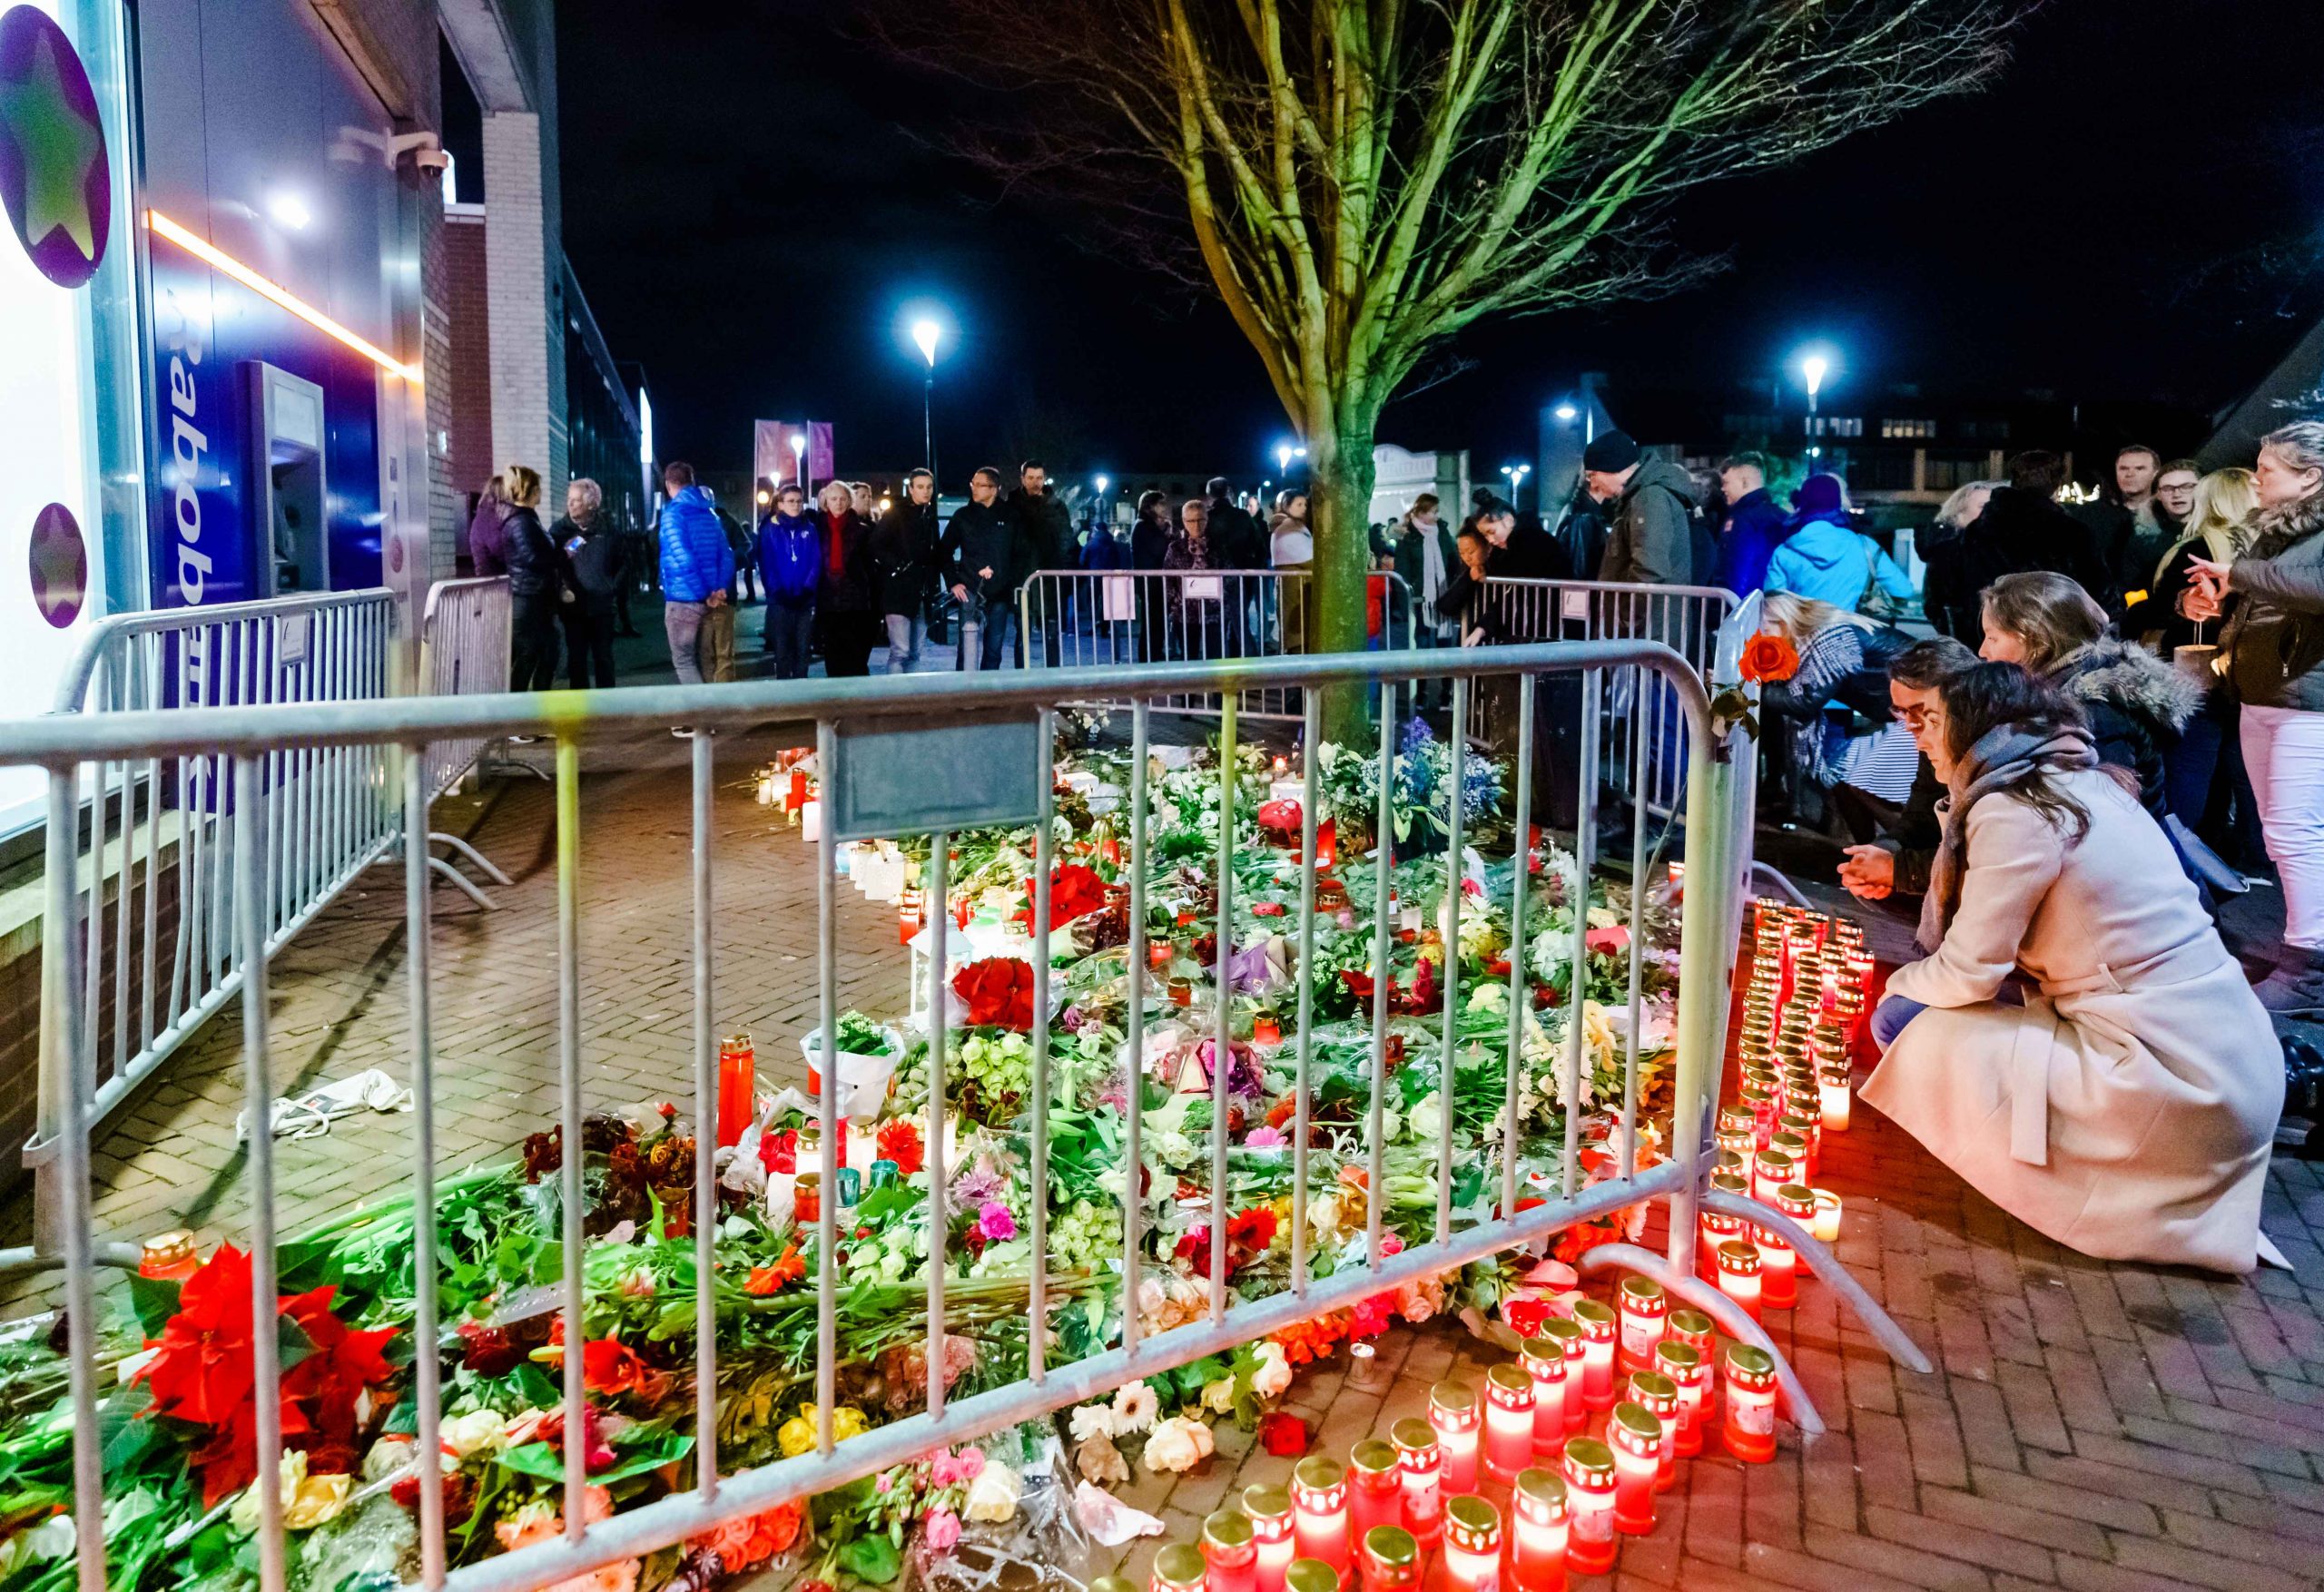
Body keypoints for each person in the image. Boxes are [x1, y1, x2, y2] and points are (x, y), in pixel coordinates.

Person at [1859, 662, 2281, 1274]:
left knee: (1902, 1017)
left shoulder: (2016, 810)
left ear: (1976, 729)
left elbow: (1970, 970)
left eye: (1934, 722)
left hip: (2171, 1079)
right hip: (2230, 1058)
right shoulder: (2081, 782)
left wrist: (1895, 983)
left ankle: (2058, 1185)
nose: (1919, 739)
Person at [2185, 421, 2324, 1011]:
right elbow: (2270, 595)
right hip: (2262, 693)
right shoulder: (2276, 534)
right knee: (2280, 833)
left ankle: (2308, 968)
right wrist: (2212, 603)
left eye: (2269, 468)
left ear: (2310, 477)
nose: (2256, 478)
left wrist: (2237, 576)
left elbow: (2313, 590)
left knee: (2296, 832)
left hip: (2306, 698)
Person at [1976, 571, 2199, 822]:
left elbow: (2109, 819)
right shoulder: (2063, 689)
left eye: (1993, 637)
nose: (1983, 651)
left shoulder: (2094, 713)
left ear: (2037, 640)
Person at [2125, 468, 2259, 840]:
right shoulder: (2271, 551)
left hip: (2200, 674)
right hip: (2256, 675)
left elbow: (2154, 609)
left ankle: (2179, 850)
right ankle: (2258, 860)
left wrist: (2142, 610)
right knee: (2246, 771)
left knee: (2189, 766)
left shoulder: (2197, 550)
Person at [1757, 591, 1919, 830]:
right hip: (1904, 713)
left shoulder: (1831, 638)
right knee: (1842, 778)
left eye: (1764, 632)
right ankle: (1862, 853)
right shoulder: (1821, 637)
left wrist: (1756, 687)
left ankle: (1908, 851)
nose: (1762, 642)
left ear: (1782, 622)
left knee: (1863, 783)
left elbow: (1805, 701)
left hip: (1924, 713)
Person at [1837, 634, 1982, 903]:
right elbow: (1920, 816)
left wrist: (1898, 870)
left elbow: (1984, 867)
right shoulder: (1932, 741)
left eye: (1923, 713)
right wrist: (1885, 851)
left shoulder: (1997, 760)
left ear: (1963, 703)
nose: (1910, 726)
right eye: (1902, 712)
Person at [1955, 451, 2112, 635]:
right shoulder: (2070, 533)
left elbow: (1954, 589)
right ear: (2057, 484)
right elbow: (2101, 593)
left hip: (1990, 637)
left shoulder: (1978, 529)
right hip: (2051, 640)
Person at [1761, 474, 1915, 615]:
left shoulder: (1784, 552)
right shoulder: (1863, 546)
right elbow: (1903, 590)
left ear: (1803, 505)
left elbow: (1773, 605)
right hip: (1850, 637)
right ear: (1837, 504)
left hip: (1800, 640)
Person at [656, 462, 734, 696]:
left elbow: (683, 557)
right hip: (709, 598)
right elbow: (727, 554)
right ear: (692, 481)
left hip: (684, 598)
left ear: (669, 484)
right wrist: (719, 588)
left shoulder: (673, 514)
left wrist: (704, 593)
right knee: (704, 658)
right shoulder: (709, 513)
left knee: (683, 660)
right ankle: (711, 712)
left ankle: (702, 717)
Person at [1589, 431, 1699, 586]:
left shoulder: (1649, 498)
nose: (1593, 484)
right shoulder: (1642, 496)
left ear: (1612, 468)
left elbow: (1650, 570)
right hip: (1646, 608)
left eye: (1592, 475)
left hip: (1644, 609)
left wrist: (1624, 606)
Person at [942, 467, 1019, 672]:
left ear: (994, 489)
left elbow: (1018, 553)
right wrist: (953, 582)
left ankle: (988, 694)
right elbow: (943, 550)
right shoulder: (963, 516)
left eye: (979, 485)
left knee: (994, 650)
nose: (974, 489)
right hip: (969, 590)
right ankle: (965, 693)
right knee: (966, 648)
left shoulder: (1010, 516)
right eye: (972, 484)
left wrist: (1009, 581)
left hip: (999, 593)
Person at [552, 477, 622, 690]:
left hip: (602, 607)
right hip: (573, 608)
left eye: (576, 501)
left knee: (604, 660)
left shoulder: (608, 531)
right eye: (569, 500)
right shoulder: (558, 532)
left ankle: (607, 709)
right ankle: (581, 708)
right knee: (577, 660)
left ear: (591, 504)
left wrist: (612, 588)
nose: (570, 504)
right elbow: (551, 566)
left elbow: (622, 564)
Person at [871, 468, 940, 673]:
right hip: (899, 592)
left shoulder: (929, 517)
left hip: (921, 592)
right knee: (900, 651)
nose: (925, 491)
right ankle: (898, 700)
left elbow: (935, 554)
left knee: (915, 652)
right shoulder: (897, 514)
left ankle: (911, 700)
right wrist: (897, 566)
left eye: (929, 487)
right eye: (920, 487)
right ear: (911, 489)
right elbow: (875, 544)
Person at [807, 479, 878, 676]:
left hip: (854, 600)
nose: (838, 503)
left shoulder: (862, 530)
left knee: (855, 656)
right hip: (827, 599)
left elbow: (870, 567)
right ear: (825, 502)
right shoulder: (816, 530)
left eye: (842, 499)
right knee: (833, 655)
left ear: (849, 501)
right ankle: (837, 700)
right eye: (833, 499)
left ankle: (857, 701)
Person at [498, 466, 560, 692]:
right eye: (539, 488)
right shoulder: (520, 522)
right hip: (528, 600)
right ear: (532, 490)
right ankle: (520, 717)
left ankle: (533, 715)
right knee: (528, 656)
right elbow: (532, 557)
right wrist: (559, 556)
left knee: (545, 652)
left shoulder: (525, 520)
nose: (541, 492)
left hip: (535, 598)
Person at [1919, 479, 2004, 640]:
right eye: (1982, 506)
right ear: (1960, 510)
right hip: (1965, 641)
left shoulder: (1996, 547)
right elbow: (1935, 603)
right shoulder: (1945, 551)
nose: (1989, 512)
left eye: (1992, 506)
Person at [757, 483, 819, 680]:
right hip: (780, 600)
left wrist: (808, 587)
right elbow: (767, 562)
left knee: (803, 648)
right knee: (782, 649)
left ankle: (801, 689)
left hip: (804, 599)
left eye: (799, 501)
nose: (796, 505)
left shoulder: (810, 528)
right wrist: (777, 590)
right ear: (781, 504)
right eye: (791, 501)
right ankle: (783, 692)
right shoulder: (769, 529)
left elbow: (816, 560)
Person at [1163, 496, 1237, 656]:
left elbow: (1231, 575)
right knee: (1189, 659)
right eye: (1191, 521)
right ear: (1183, 521)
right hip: (1185, 614)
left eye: (1200, 520)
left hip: (1214, 613)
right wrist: (1175, 601)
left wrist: (1220, 594)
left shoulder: (1218, 546)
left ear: (1207, 519)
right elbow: (1167, 578)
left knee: (1215, 656)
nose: (1196, 525)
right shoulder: (1175, 548)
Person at [1714, 453, 1786, 595]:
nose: (1723, 489)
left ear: (1744, 483)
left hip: (1743, 607)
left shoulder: (1741, 519)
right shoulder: (1781, 516)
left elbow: (1735, 571)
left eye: (1726, 483)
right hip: (1773, 604)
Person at [1552, 472, 1613, 579]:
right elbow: (1579, 570)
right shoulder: (1583, 518)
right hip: (1585, 591)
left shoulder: (1582, 512)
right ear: (1592, 479)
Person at [1205, 477, 1265, 569]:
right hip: (1242, 568)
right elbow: (1259, 545)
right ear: (1228, 492)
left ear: (1210, 495)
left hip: (1216, 570)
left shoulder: (1206, 518)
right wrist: (1255, 567)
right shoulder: (1243, 515)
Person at [468, 474, 510, 578]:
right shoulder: (489, 517)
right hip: (493, 583)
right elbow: (498, 547)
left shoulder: (483, 515)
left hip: (488, 580)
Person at [1269, 490, 1313, 570]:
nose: (1304, 508)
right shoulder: (1287, 530)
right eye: (1299, 505)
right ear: (1286, 506)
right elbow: (1308, 560)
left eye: (1305, 505)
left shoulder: (1293, 526)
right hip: (1295, 581)